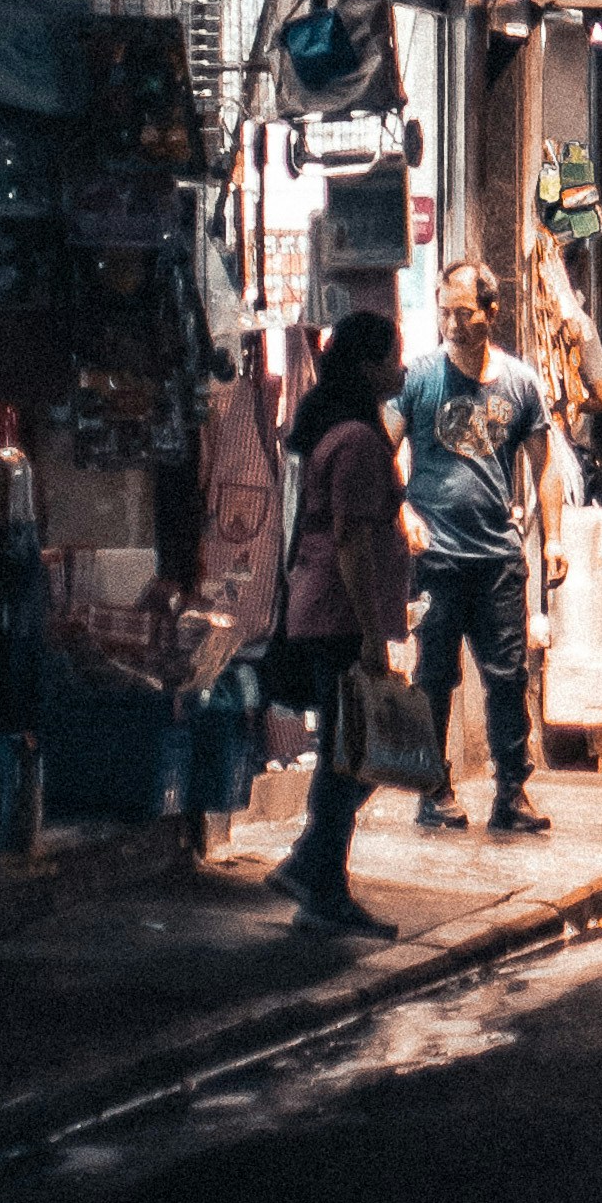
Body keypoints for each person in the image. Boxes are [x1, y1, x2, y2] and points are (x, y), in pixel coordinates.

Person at [397, 260, 558, 837]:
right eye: (445, 313)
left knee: (508, 677)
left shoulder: (520, 384)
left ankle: (511, 791)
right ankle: (433, 789)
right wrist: (402, 510)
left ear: (492, 311)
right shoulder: (418, 378)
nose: (453, 325)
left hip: (498, 560)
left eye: (464, 313)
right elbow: (383, 448)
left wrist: (554, 538)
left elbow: (544, 467)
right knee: (434, 678)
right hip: (436, 559)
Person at [273, 308, 409, 937]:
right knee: (351, 755)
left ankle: (314, 870)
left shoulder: (344, 431)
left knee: (347, 752)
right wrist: (373, 634)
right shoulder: (355, 440)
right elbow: (353, 541)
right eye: (390, 357)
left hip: (328, 611)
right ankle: (319, 879)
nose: (399, 369)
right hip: (339, 615)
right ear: (366, 365)